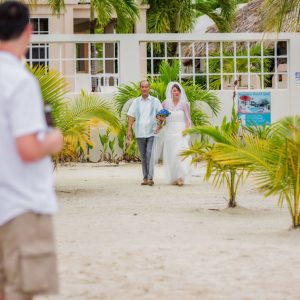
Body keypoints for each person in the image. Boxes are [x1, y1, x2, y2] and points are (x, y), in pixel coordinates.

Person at [0, 2, 64, 300]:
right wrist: (52, 140)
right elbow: (27, 148)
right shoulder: (20, 81)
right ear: (29, 30)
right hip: (22, 206)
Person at [127, 80, 163, 186]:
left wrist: (159, 125)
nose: (144, 89)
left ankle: (150, 177)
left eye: (146, 87)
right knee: (143, 156)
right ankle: (145, 178)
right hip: (139, 132)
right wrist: (129, 129)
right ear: (140, 88)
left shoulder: (155, 101)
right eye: (142, 87)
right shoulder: (136, 102)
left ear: (149, 88)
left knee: (149, 154)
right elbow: (131, 116)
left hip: (151, 132)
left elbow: (161, 115)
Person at [161, 82, 192, 186]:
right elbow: (162, 117)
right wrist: (159, 121)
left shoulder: (184, 104)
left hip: (180, 131)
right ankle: (174, 176)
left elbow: (188, 119)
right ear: (171, 92)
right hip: (169, 131)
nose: (176, 92)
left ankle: (180, 177)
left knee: (180, 153)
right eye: (174, 90)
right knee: (171, 155)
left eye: (177, 90)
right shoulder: (165, 103)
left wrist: (186, 130)